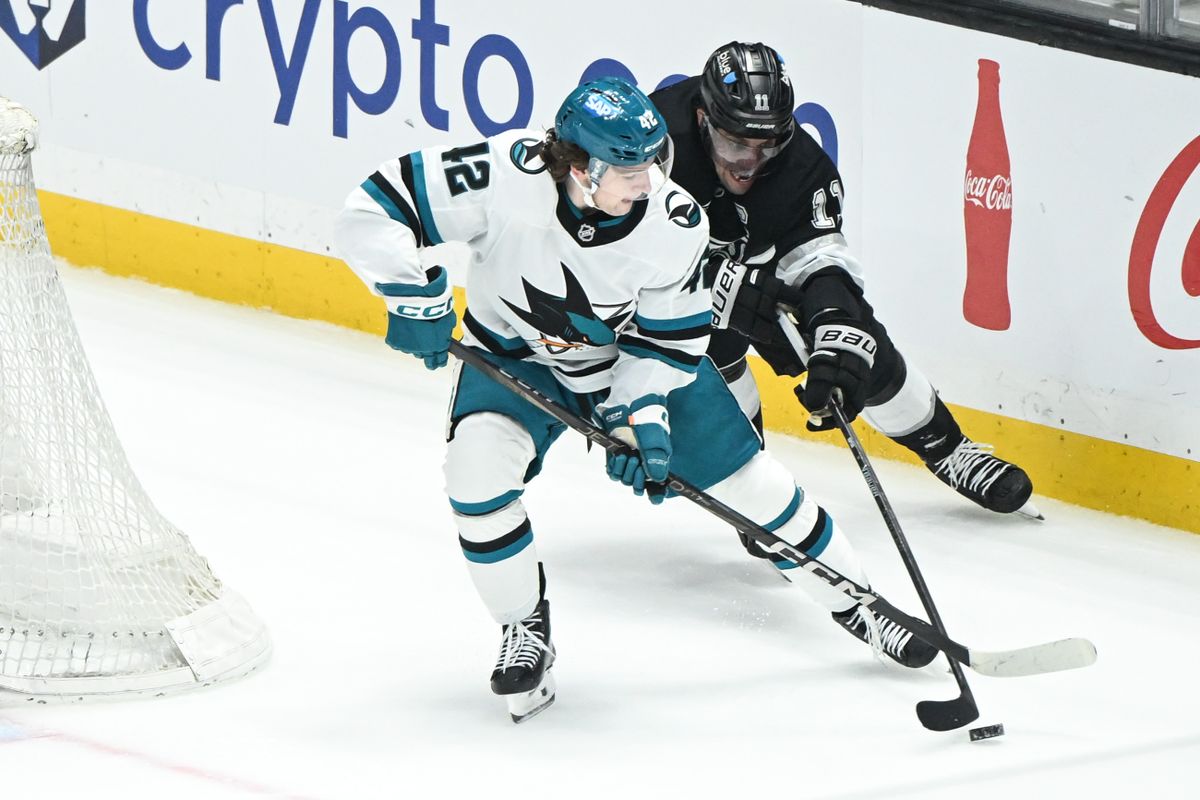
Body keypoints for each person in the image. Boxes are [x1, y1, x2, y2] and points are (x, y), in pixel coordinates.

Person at [335, 78, 936, 724]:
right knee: (473, 480)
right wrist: (411, 292)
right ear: (580, 168)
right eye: (629, 168)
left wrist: (640, 421)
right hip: (515, 359)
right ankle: (523, 623)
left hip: (629, 361)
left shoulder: (675, 225)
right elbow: (372, 209)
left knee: (753, 486)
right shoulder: (499, 178)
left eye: (653, 162)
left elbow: (668, 345)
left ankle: (857, 600)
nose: (648, 181)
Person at [649, 42, 1037, 538]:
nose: (750, 161)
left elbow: (820, 261)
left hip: (765, 267)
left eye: (767, 145)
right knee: (710, 360)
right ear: (703, 119)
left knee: (856, 340)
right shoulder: (653, 141)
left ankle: (949, 449)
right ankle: (756, 497)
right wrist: (711, 283)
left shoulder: (802, 165)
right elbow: (613, 249)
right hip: (670, 292)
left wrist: (833, 322)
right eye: (735, 145)